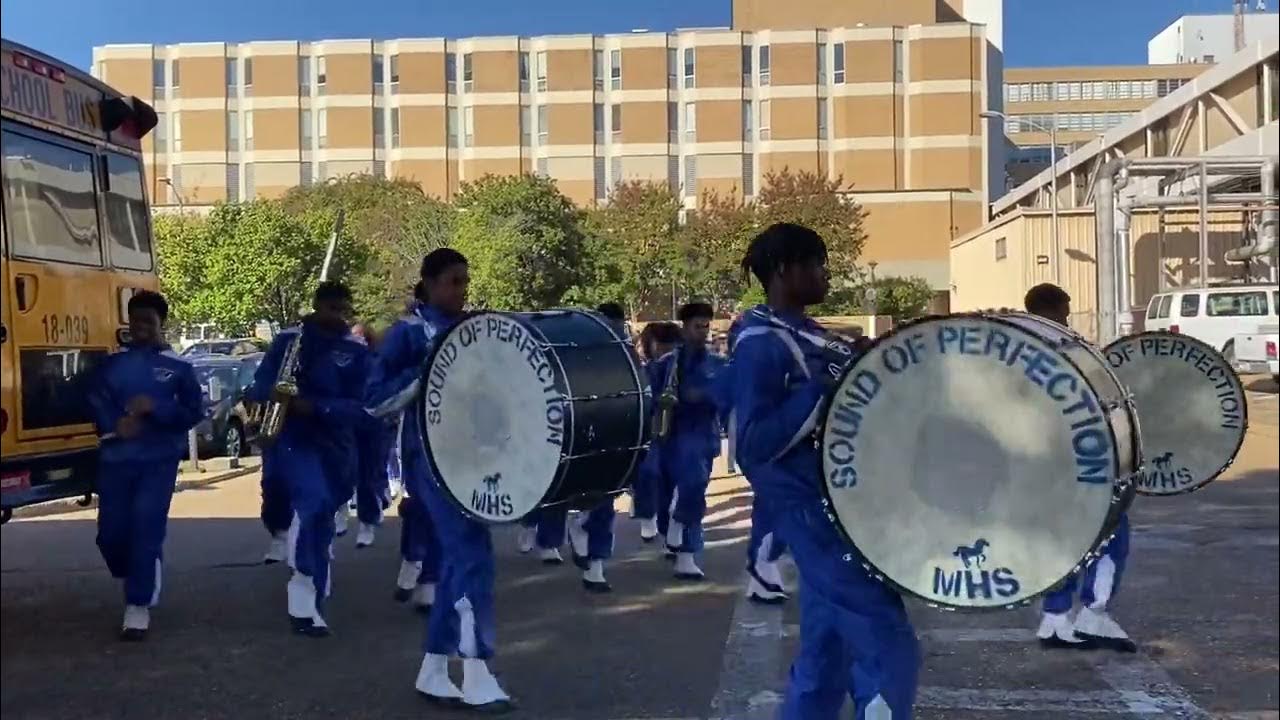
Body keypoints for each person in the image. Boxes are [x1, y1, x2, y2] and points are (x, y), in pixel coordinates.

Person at [732, 223, 919, 718]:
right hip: (812, 508)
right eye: (816, 264)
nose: (826, 275)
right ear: (783, 270)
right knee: (885, 636)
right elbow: (751, 446)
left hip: (837, 502)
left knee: (827, 650)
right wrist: (821, 392)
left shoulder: (810, 334)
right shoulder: (759, 342)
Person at [366, 248, 514, 711]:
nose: (461, 291)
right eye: (452, 282)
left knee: (464, 559)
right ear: (428, 284)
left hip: (473, 459)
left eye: (465, 282)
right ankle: (475, 670)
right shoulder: (408, 334)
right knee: (471, 558)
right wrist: (428, 366)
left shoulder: (469, 331)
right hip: (432, 462)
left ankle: (433, 668)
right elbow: (374, 401)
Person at [248, 281, 370, 638]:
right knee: (311, 504)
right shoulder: (289, 342)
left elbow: (364, 408)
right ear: (316, 306)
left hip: (335, 445)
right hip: (292, 439)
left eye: (340, 308)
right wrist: (268, 394)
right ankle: (302, 595)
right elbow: (261, 382)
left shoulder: (357, 353)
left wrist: (315, 406)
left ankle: (315, 577)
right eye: (328, 307)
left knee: (322, 512)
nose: (334, 314)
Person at [86, 290, 203, 641]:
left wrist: (156, 409)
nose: (140, 328)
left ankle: (137, 605)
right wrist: (112, 423)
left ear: (160, 324)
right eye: (135, 320)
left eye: (148, 322)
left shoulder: (179, 367)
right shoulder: (112, 363)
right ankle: (139, 568)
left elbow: (194, 412)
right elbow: (94, 397)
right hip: (116, 460)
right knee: (110, 535)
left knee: (145, 527)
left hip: (158, 461)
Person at [1029, 283, 1136, 654]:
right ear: (1054, 308)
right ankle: (1093, 613)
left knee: (1064, 540)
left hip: (1041, 464)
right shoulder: (1066, 345)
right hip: (1079, 461)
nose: (1068, 315)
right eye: (1066, 308)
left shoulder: (1018, 343)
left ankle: (1055, 618)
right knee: (1109, 533)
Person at [647, 302, 726, 580]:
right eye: (697, 325)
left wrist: (703, 397)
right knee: (664, 495)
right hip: (669, 436)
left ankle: (687, 555)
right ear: (685, 327)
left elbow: (725, 396)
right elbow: (650, 396)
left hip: (700, 436)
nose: (703, 331)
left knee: (693, 488)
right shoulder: (666, 364)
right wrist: (664, 400)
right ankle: (672, 534)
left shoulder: (718, 364)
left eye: (706, 325)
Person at [721, 313, 790, 605]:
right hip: (759, 440)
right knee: (775, 502)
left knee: (778, 503)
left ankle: (764, 569)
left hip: (771, 438)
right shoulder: (745, 362)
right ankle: (762, 569)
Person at [631, 322, 681, 542]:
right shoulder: (681, 362)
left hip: (658, 429)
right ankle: (663, 525)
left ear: (654, 343)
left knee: (649, 473)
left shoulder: (659, 366)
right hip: (674, 430)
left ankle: (651, 519)